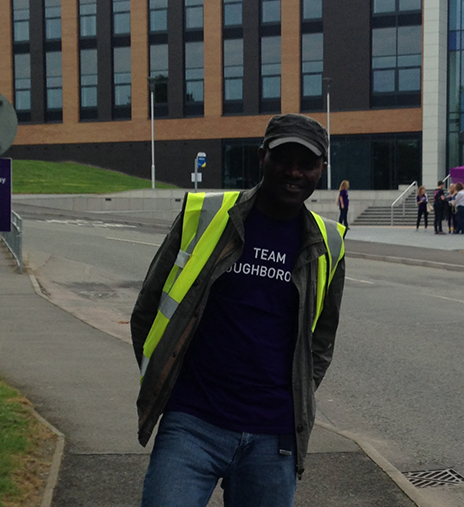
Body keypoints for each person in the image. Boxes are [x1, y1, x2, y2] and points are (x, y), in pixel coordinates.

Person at [131, 113, 347, 507]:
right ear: (262, 157)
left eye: (307, 163)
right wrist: (164, 379)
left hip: (274, 436)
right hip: (192, 423)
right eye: (284, 159)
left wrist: (293, 396)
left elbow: (322, 340)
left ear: (322, 169)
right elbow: (148, 307)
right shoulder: (208, 216)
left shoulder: (328, 241)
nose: (294, 172)